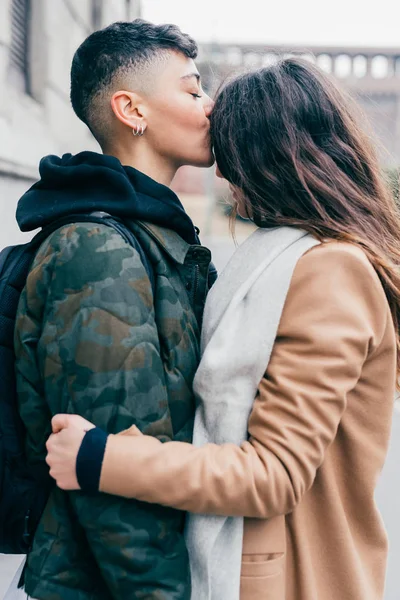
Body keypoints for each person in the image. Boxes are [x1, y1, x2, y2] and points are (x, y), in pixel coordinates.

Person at [47, 57, 400, 600]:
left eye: (228, 153)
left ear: (263, 158)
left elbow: (274, 474)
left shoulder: (332, 270)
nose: (220, 173)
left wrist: (100, 458)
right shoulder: (295, 256)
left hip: (291, 579)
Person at [13, 18, 215, 600]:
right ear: (133, 110)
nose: (208, 106)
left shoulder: (151, 237)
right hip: (102, 582)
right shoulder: (99, 250)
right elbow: (113, 470)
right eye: (192, 88)